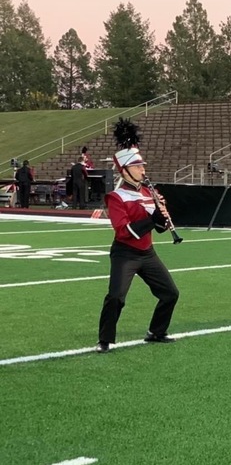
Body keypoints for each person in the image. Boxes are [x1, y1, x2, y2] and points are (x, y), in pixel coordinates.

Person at [96, 118, 180, 353]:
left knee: (170, 293)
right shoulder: (116, 197)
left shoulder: (149, 192)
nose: (143, 170)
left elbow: (160, 228)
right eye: (138, 166)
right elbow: (124, 231)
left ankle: (156, 332)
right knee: (116, 297)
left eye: (143, 166)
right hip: (125, 253)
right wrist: (151, 219)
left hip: (147, 252)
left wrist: (163, 217)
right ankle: (104, 340)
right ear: (125, 170)